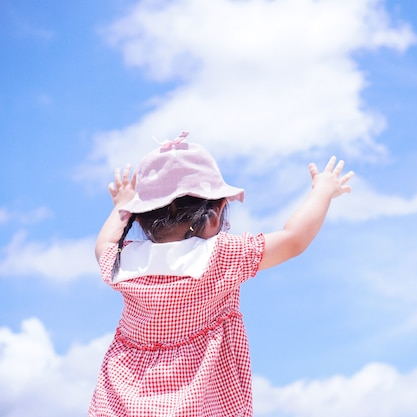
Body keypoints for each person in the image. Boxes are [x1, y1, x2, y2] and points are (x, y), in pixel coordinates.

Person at [89, 132, 354, 417]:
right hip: (198, 406)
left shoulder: (124, 262)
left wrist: (121, 205)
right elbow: (293, 240)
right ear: (215, 215)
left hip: (122, 403)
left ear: (139, 217)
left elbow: (102, 245)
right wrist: (322, 190)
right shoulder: (221, 255)